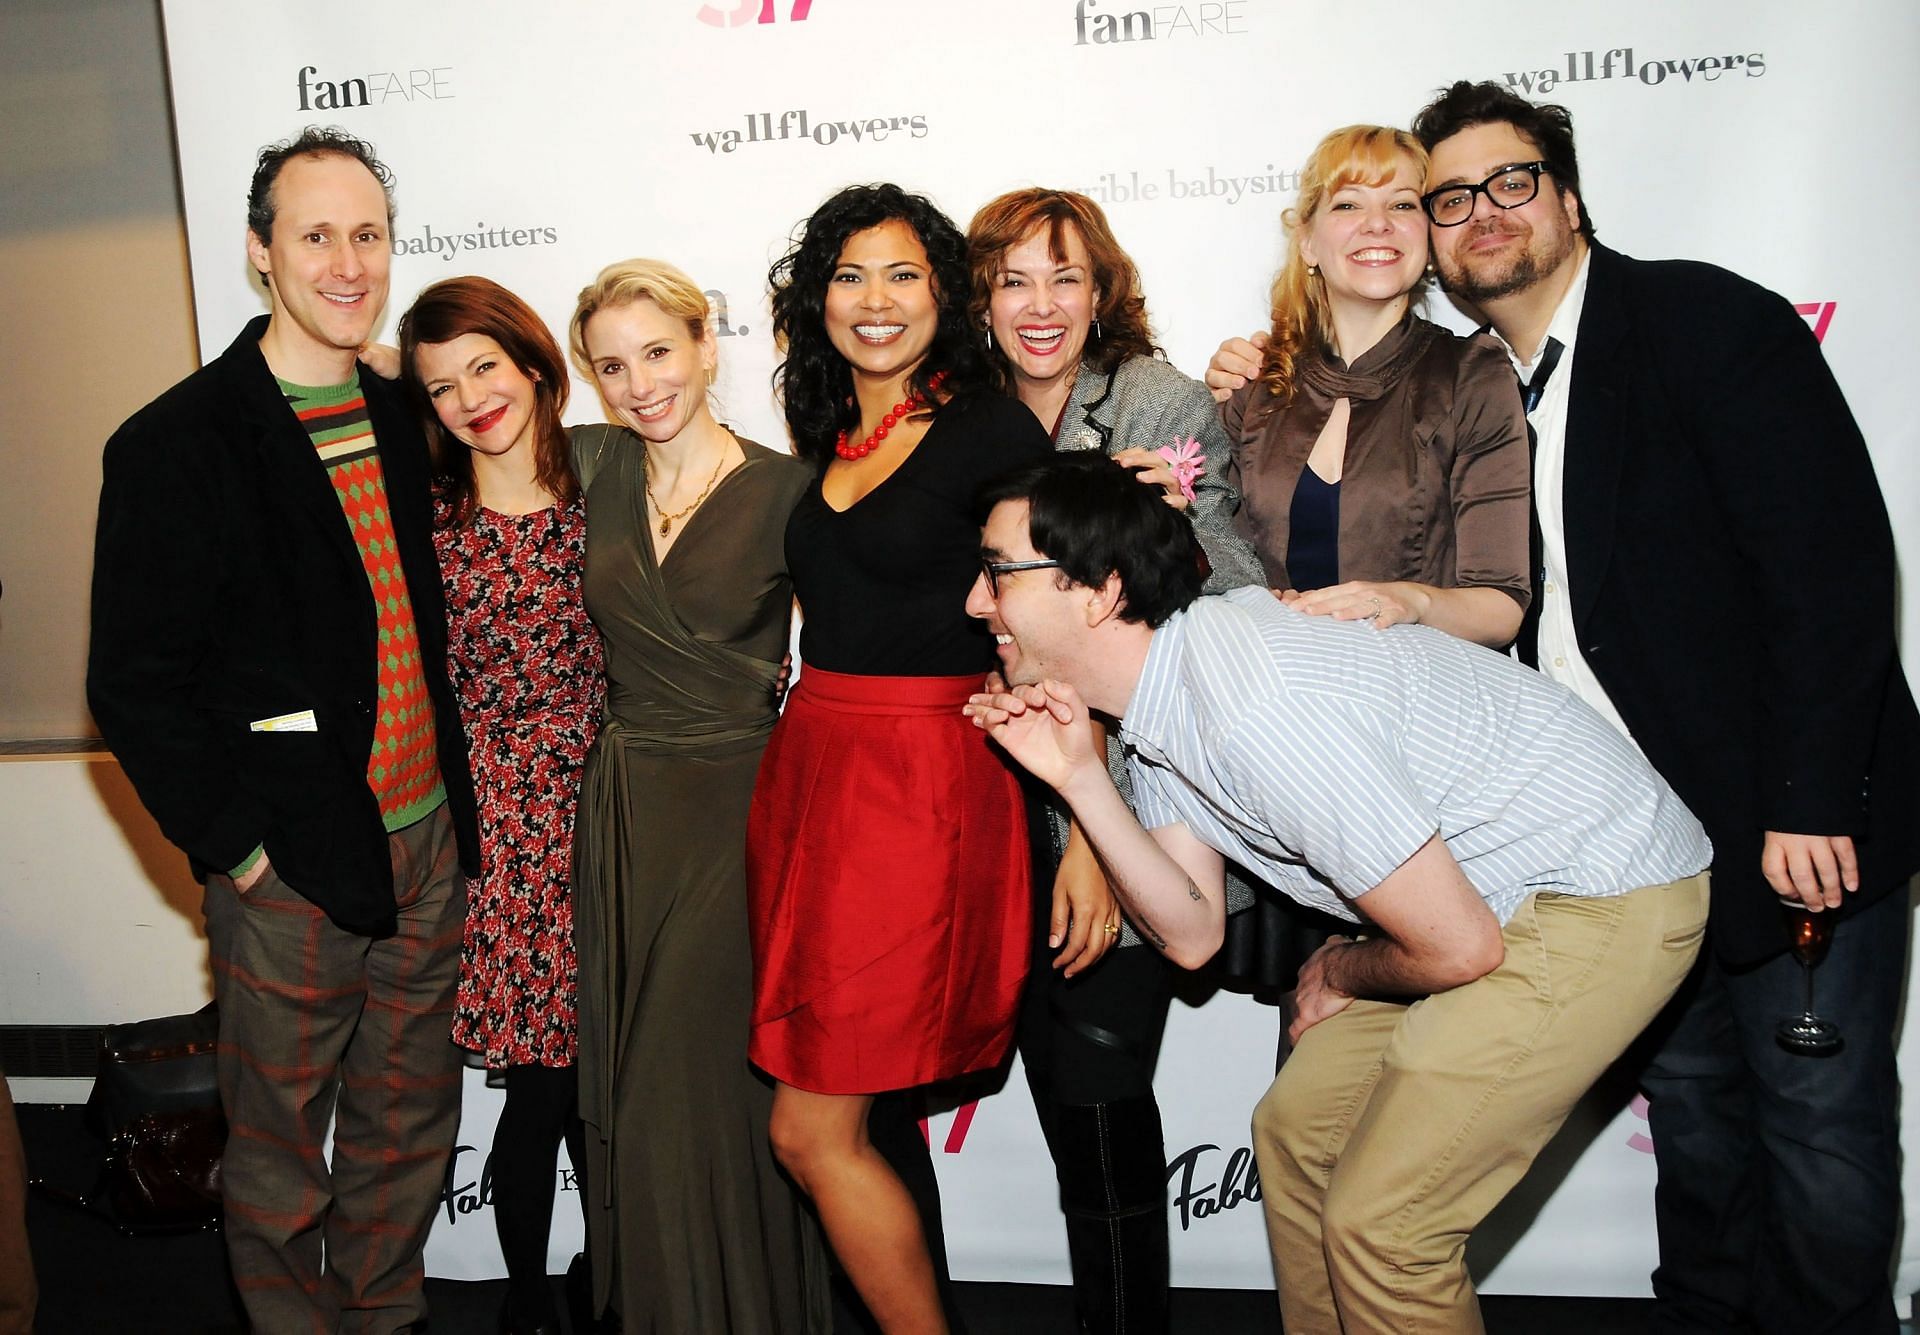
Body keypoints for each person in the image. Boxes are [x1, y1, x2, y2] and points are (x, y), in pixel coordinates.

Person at [1211, 80, 1920, 1335]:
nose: (1479, 212)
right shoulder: (1484, 388)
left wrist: (1811, 795)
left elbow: (1835, 566)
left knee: (1820, 1144)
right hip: (1619, 849)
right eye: (1451, 195)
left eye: (1511, 182)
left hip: (1795, 825)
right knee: (1697, 1131)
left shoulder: (1698, 322)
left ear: (1568, 197)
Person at [962, 452, 1713, 1334]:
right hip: (1482, 897)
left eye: (998, 573)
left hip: (1601, 889)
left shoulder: (1252, 705)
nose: (977, 603)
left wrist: (1346, 971)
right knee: (1297, 1140)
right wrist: (1082, 779)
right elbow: (1194, 931)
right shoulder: (1166, 687)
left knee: (1388, 1226)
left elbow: (1459, 948)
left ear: (1097, 591)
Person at [87, 127, 481, 1333]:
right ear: (261, 254)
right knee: (277, 1151)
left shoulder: (408, 416)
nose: (347, 263)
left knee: (407, 1125)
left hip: (426, 844)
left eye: (368, 234)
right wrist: (243, 851)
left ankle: (383, 1315)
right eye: (316, 235)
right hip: (291, 871)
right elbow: (136, 684)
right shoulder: (176, 444)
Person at [752, 183, 1052, 1333]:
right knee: (856, 1115)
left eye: (902, 275)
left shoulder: (988, 429)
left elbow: (1050, 625)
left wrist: (1080, 835)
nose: (874, 302)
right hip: (818, 770)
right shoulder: (830, 425)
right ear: (816, 297)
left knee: (808, 1126)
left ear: (945, 295)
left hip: (923, 782)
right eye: (848, 276)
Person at [965, 186, 1264, 1333]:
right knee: (1052, 1094)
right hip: (987, 805)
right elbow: (966, 621)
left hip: (1136, 808)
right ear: (982, 296)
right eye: (1014, 280)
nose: (1041, 307)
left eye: (1066, 277)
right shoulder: (960, 414)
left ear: (1104, 292)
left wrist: (1166, 524)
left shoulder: (1161, 400)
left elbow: (1235, 593)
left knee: (1098, 1096)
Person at [1214, 123, 1535, 1027]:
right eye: (1348, 203)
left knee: (1418, 1059)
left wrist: (1405, 601)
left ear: (1429, 237)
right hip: (1282, 759)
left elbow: (1501, 606)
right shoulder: (1255, 379)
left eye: (1402, 203)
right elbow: (1211, 569)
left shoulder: (1472, 374)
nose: (1377, 224)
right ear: (1308, 237)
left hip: (1420, 760)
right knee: (1308, 1052)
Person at [567, 260, 829, 1333]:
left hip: (738, 811)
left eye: (658, 352)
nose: (639, 385)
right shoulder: (583, 465)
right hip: (623, 812)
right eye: (611, 365)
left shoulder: (792, 492)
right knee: (631, 1090)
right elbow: (446, 405)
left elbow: (860, 657)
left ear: (708, 347)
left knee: (696, 1089)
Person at [397, 276, 603, 1335]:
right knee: (543, 1087)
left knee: (606, 1094)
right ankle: (530, 1302)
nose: (472, 397)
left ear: (531, 363)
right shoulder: (429, 523)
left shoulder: (610, 486)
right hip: (506, 827)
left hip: (615, 809)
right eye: (441, 387)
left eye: (485, 365)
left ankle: (610, 1287)